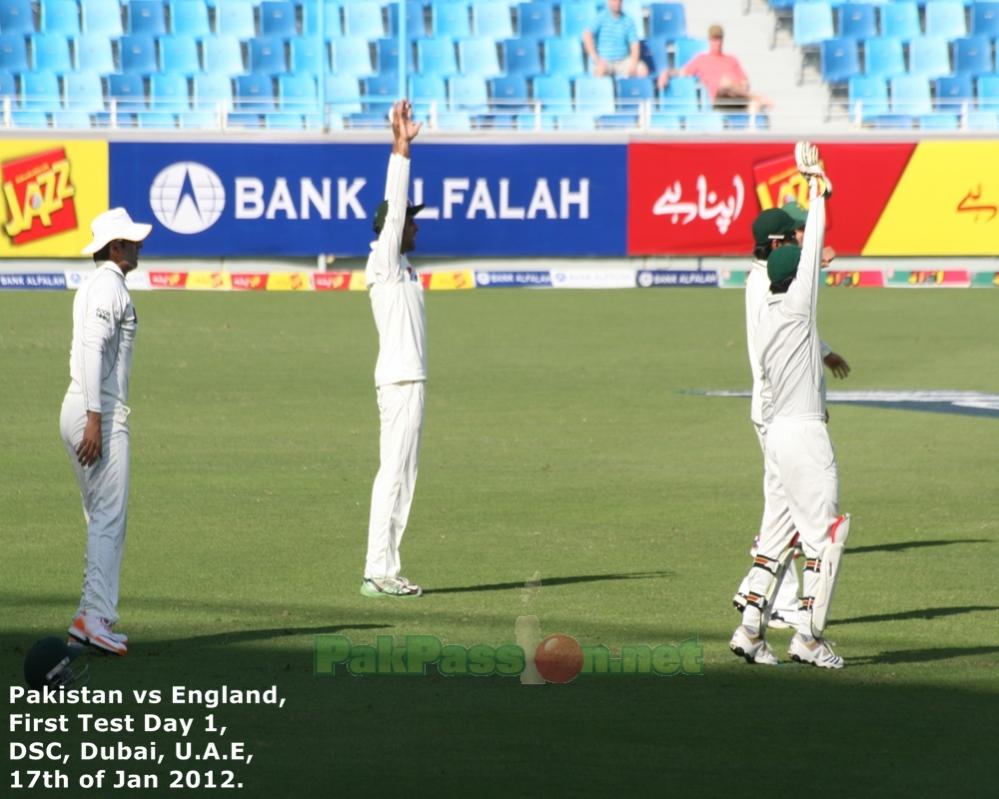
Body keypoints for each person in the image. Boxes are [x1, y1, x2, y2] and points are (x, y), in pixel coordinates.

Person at [730, 143, 850, 670]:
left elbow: (805, 255)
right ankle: (808, 635)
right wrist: (816, 185)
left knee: (778, 535)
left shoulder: (774, 306)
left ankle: (750, 627)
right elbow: (816, 240)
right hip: (801, 432)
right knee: (826, 536)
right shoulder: (799, 306)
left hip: (776, 426)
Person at [62, 207, 151, 656]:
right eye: (131, 241)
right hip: (98, 412)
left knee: (101, 517)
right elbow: (94, 348)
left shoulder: (96, 285)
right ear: (115, 247)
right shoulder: (109, 286)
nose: (139, 246)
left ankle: (88, 615)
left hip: (83, 406)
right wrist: (97, 416)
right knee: (109, 518)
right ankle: (95, 617)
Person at [361, 99, 427, 599]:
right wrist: (400, 147)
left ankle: (387, 567)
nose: (417, 225)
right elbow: (394, 199)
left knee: (405, 476)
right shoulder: (384, 262)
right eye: (410, 219)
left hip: (411, 381)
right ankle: (376, 570)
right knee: (393, 475)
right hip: (400, 381)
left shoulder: (403, 267)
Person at [657, 24, 772, 115]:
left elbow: (745, 83)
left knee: (754, 105)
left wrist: (737, 87)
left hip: (737, 98)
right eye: (714, 39)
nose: (716, 43)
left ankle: (749, 138)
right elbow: (682, 72)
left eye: (719, 39)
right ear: (709, 40)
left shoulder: (732, 59)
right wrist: (666, 72)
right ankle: (757, 97)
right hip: (720, 100)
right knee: (725, 83)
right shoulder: (701, 59)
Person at [583, 0, 649, 79]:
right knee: (600, 70)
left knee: (642, 70)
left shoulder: (628, 20)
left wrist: (634, 63)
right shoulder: (600, 18)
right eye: (614, 1)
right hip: (605, 61)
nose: (617, 3)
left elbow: (634, 44)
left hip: (623, 61)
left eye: (619, 1)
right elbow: (587, 35)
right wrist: (595, 58)